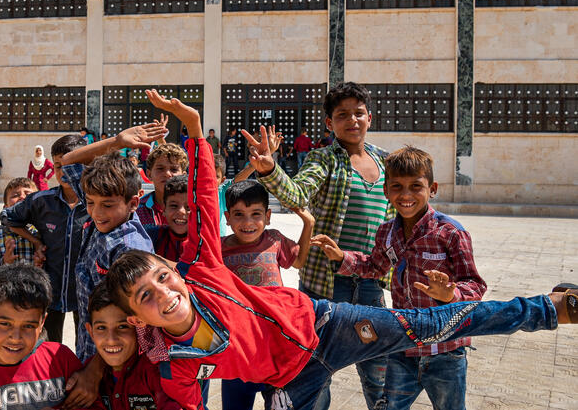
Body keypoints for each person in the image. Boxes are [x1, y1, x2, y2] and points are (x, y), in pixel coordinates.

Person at [104, 91, 577, 410]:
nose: (164, 293)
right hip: (296, 376)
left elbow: (205, 197)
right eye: (146, 296)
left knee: (433, 324)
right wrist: (270, 171)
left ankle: (551, 308)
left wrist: (193, 128)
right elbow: (184, 405)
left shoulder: (202, 271)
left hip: (331, 323)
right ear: (138, 319)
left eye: (162, 277)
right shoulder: (177, 364)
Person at [243, 82, 394, 410]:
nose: (352, 120)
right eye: (342, 115)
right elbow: (297, 194)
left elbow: (396, 221)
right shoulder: (324, 158)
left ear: (370, 117)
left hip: (370, 285)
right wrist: (269, 168)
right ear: (329, 123)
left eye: (358, 113)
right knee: (315, 369)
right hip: (327, 286)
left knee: (379, 369)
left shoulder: (385, 162)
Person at [312, 146, 487, 410]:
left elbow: (475, 285)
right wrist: (340, 257)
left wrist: (450, 295)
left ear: (432, 188)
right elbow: (374, 267)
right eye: (397, 187)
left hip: (445, 351)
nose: (406, 195)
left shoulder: (450, 233)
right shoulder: (386, 233)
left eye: (416, 186)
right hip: (404, 345)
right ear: (386, 190)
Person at [59, 123, 164, 362]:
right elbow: (68, 162)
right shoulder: (106, 210)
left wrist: (94, 371)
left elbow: (127, 322)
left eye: (107, 205)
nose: (96, 213)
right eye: (90, 203)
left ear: (133, 203)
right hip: (90, 349)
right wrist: (116, 142)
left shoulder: (127, 248)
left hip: (113, 364)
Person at [219, 180, 314, 410]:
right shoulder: (219, 249)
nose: (248, 222)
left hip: (275, 347)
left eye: (256, 214)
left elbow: (299, 261)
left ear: (268, 216)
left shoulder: (274, 240)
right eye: (239, 214)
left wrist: (308, 223)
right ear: (227, 217)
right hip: (237, 350)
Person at [0, 264, 83, 410]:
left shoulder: (59, 359)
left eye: (28, 326)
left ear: (42, 322)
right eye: (5, 324)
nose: (15, 337)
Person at [0, 134, 90, 345]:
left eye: (70, 166)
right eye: (58, 166)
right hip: (51, 288)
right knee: (49, 347)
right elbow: (7, 217)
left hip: (86, 292)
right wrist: (36, 241)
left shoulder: (96, 201)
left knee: (86, 347)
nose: (63, 172)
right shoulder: (42, 201)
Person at [85, 284, 180, 410]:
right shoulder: (88, 376)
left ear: (139, 326)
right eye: (101, 328)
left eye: (122, 327)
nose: (111, 340)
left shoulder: (156, 370)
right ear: (90, 331)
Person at [215, 126, 280, 237]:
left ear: (222, 180)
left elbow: (240, 177)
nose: (210, 179)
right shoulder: (192, 192)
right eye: (206, 175)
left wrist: (264, 156)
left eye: (215, 176)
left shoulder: (221, 193)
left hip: (218, 242)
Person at [0, 177, 40, 278]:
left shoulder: (41, 231)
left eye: (28, 194)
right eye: (15, 195)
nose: (22, 197)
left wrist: (41, 264)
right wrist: (4, 262)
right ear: (5, 207)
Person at [138, 143, 188, 230]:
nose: (167, 174)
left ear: (183, 175)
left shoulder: (193, 209)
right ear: (149, 174)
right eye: (160, 169)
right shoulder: (137, 209)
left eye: (174, 169)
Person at [146, 175, 189, 262]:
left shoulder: (205, 242)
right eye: (174, 206)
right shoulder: (151, 236)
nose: (181, 211)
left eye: (189, 207)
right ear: (164, 209)